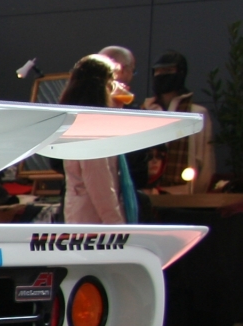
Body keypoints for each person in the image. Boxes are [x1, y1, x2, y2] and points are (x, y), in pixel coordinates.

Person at [62, 55, 134, 223]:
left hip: (85, 218)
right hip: (94, 223)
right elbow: (99, 185)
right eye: (112, 82)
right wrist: (117, 226)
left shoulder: (79, 122)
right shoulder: (89, 130)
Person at [141, 50, 214, 191]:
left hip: (184, 192)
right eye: (158, 71)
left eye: (168, 70)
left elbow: (206, 161)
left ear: (180, 72)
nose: (162, 75)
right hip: (147, 193)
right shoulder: (144, 112)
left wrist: (198, 196)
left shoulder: (197, 114)